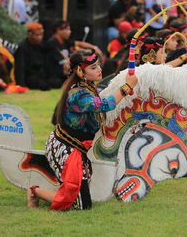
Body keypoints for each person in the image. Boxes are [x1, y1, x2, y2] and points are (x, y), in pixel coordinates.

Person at [26, 49, 138, 210]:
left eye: (98, 65)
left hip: (78, 150)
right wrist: (127, 87)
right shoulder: (78, 94)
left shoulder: (88, 86)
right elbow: (104, 105)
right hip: (65, 149)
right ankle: (34, 191)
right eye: (93, 67)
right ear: (80, 71)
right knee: (79, 205)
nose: (99, 69)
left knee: (81, 203)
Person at [47, 21, 103, 88]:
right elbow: (65, 61)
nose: (69, 32)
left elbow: (79, 43)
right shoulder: (52, 43)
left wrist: (94, 47)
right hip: (55, 74)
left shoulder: (65, 41)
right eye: (67, 29)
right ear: (58, 30)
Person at [13, 22, 50, 90]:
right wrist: (21, 84)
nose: (40, 37)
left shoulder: (41, 45)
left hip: (40, 74)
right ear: (30, 34)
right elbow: (20, 67)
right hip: (29, 76)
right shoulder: (23, 47)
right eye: (37, 35)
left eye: (41, 35)